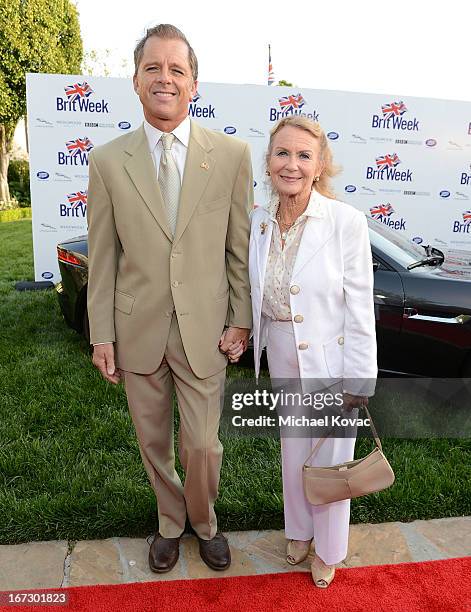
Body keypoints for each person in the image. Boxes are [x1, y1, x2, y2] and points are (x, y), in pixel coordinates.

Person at [87, 24, 252, 574]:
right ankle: (169, 522)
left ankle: (204, 522)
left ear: (194, 84)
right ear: (135, 81)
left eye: (176, 70)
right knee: (153, 443)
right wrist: (101, 334)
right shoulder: (108, 161)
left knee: (203, 446)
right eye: (153, 68)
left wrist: (241, 321)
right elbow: (103, 256)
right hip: (138, 330)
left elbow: (238, 248)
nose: (165, 78)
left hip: (206, 329)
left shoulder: (230, 155)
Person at [247, 116, 377, 587]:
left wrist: (360, 379)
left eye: (304, 155)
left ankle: (329, 549)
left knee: (331, 461)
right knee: (293, 452)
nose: (293, 165)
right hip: (280, 350)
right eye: (283, 153)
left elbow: (360, 306)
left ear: (320, 165)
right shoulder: (259, 221)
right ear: (269, 161)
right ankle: (298, 532)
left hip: (331, 359)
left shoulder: (344, 222)